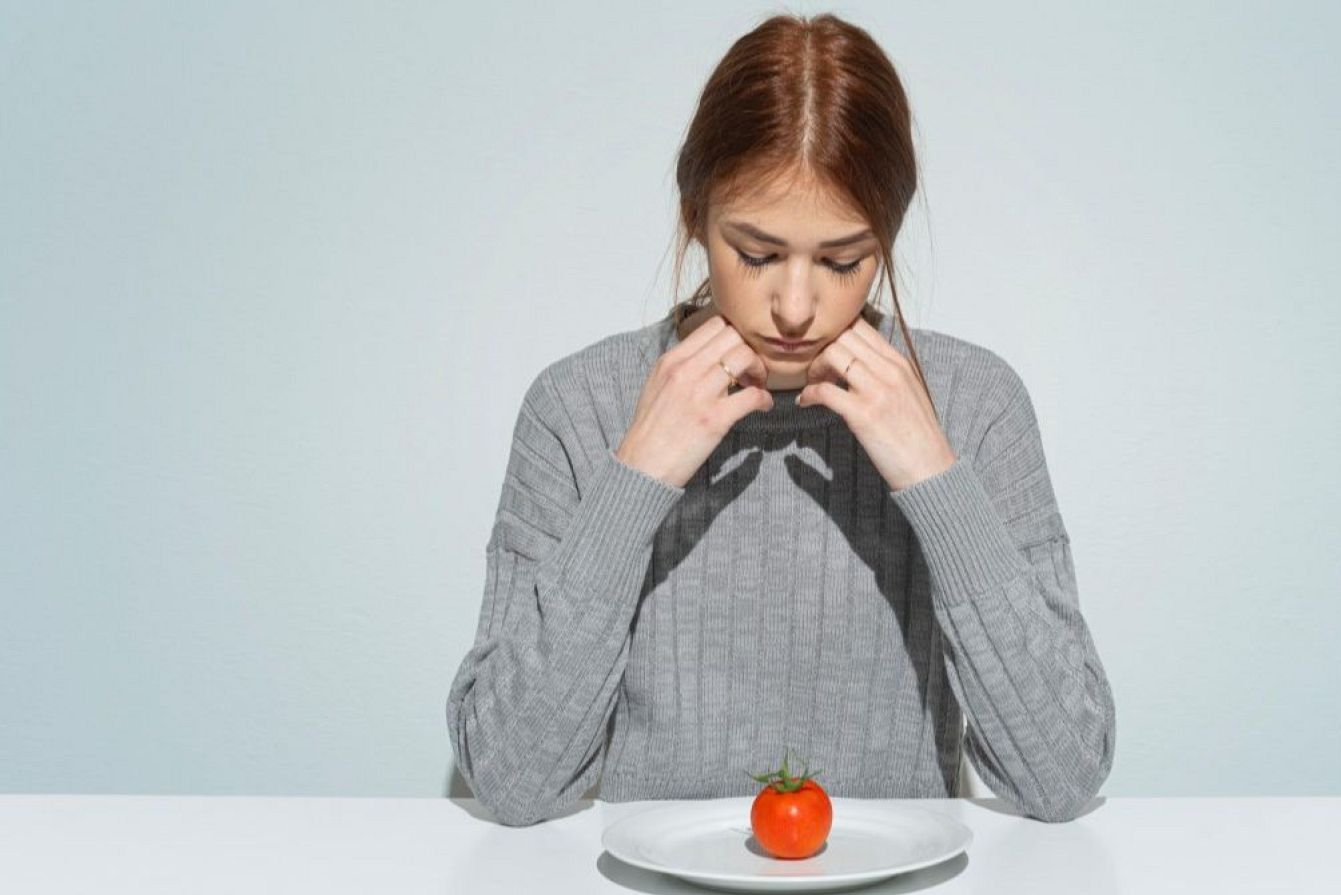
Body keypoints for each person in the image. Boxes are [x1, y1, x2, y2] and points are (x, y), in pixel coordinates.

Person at [445, 12, 1115, 827]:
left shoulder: (977, 403)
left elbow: (1066, 775)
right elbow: (510, 782)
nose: (796, 308)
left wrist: (936, 480)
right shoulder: (577, 406)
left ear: (887, 240)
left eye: (843, 261)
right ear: (696, 215)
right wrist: (635, 480)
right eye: (755, 253)